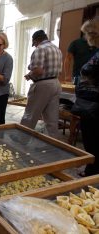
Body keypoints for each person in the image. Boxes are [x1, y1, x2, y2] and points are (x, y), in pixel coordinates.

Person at [20, 30, 62, 138]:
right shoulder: (56, 48)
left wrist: (30, 75)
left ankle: (22, 138)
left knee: (31, 114)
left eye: (34, 44)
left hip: (43, 85)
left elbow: (39, 71)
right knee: (51, 118)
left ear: (36, 40)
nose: (34, 46)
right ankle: (52, 143)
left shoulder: (40, 49)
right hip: (56, 83)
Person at [76, 18, 99, 176]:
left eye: (86, 34)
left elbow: (91, 73)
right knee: (91, 141)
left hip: (94, 106)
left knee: (93, 141)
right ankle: (92, 168)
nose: (85, 38)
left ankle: (93, 172)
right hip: (91, 104)